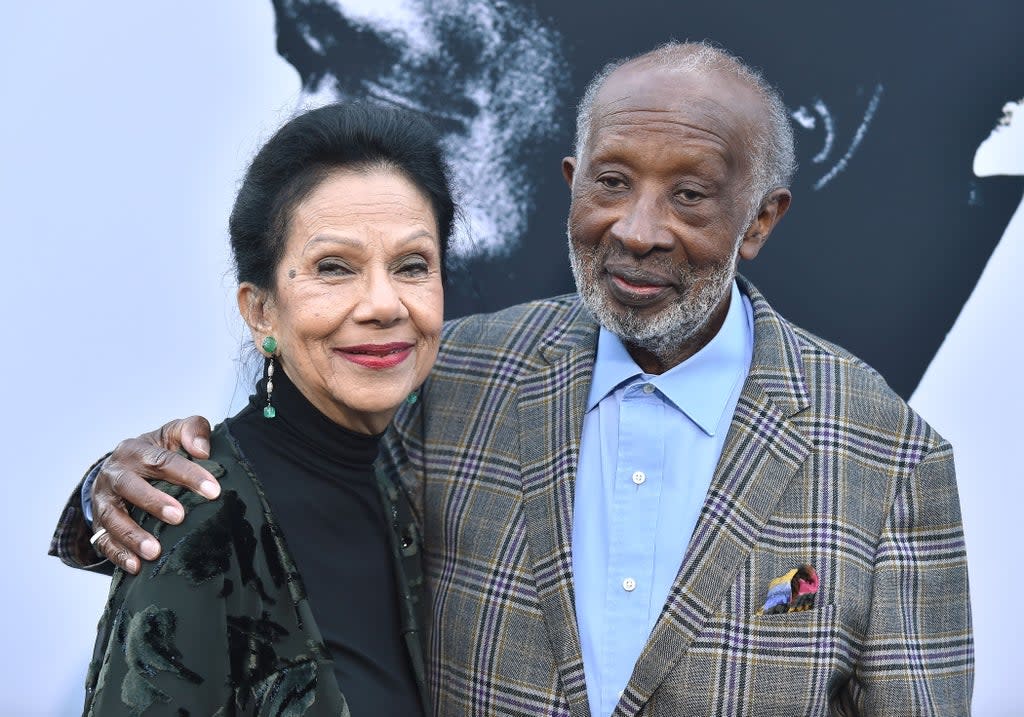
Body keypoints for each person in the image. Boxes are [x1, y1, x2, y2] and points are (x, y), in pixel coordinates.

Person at [52, 42, 973, 715]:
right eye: (611, 182)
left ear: (761, 218)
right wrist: (114, 490)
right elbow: (283, 484)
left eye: (690, 194)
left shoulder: (888, 459)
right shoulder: (459, 375)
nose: (638, 230)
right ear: (572, 182)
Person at [67, 102, 456, 715]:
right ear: (260, 311)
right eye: (334, 268)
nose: (384, 303)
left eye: (412, 265)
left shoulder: (427, 468)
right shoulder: (201, 518)